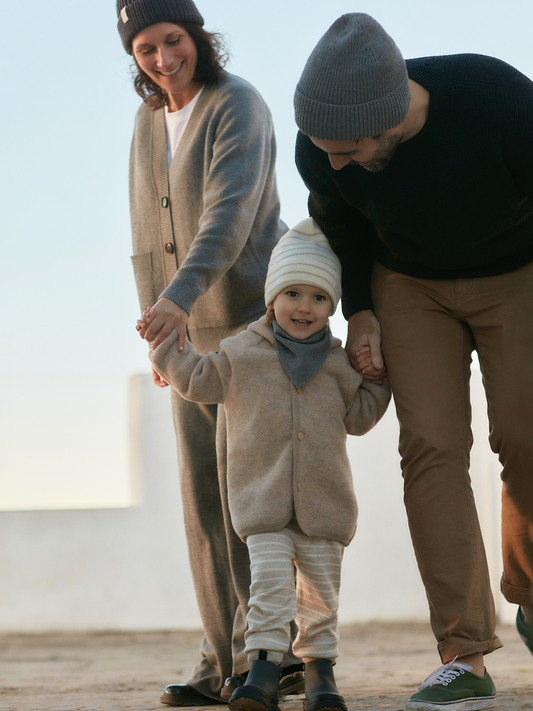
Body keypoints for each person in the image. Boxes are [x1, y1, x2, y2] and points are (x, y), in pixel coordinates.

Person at [293, 12, 533, 711]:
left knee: (523, 433)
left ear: (391, 117)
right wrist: (360, 308)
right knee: (429, 446)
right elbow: (340, 223)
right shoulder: (324, 150)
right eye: (322, 148)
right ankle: (462, 653)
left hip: (515, 270)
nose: (333, 162)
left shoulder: (498, 103)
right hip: (408, 283)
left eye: (348, 148)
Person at [116, 0, 305, 704]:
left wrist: (180, 300)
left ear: (197, 36)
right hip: (185, 332)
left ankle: (270, 652)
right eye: (145, 49)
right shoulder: (145, 122)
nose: (163, 58)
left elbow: (228, 218)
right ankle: (220, 653)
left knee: (247, 498)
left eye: (173, 40)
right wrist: (162, 331)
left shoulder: (238, 105)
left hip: (249, 327)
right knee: (202, 498)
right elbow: (144, 233)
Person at [148, 217, 391, 711]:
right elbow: (196, 379)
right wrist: (164, 349)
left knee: (320, 599)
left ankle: (321, 675)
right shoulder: (241, 354)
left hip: (325, 508)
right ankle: (261, 672)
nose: (305, 306)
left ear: (332, 306)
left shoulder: (339, 364)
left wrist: (379, 378)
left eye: (319, 298)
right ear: (272, 296)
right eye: (294, 293)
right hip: (262, 505)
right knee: (270, 592)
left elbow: (361, 417)